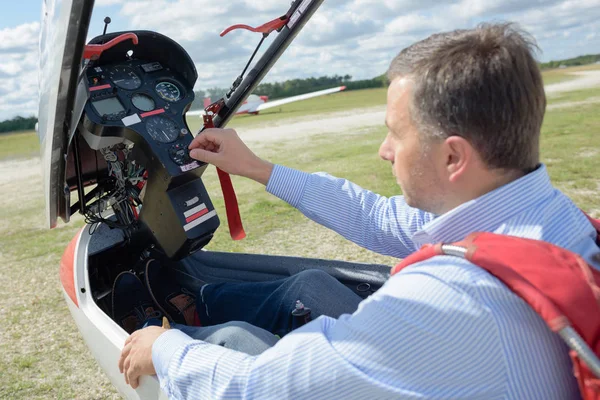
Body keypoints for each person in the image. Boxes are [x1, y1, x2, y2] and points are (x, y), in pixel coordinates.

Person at [119, 23, 600, 399]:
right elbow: (382, 218)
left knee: (233, 342)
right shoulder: (549, 219)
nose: (385, 151)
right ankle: (191, 304)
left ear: (454, 157)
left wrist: (166, 350)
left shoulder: (451, 300)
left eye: (396, 133)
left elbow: (257, 389)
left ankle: (168, 321)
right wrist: (257, 168)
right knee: (309, 287)